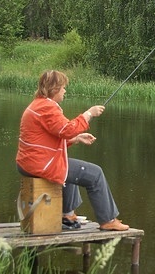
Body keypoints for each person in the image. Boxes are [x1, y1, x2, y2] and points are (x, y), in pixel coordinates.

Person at [16, 70, 129, 231]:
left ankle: (67, 214)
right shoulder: (47, 107)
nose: (65, 91)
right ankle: (108, 220)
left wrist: (76, 139)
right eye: (63, 87)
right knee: (95, 174)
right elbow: (67, 129)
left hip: (30, 162)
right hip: (39, 164)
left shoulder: (39, 104)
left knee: (67, 166)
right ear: (54, 89)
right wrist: (88, 114)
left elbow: (51, 137)